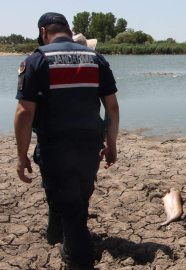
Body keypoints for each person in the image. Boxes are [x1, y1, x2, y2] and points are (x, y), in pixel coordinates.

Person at [14, 12, 119, 269]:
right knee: (77, 199)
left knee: (70, 207)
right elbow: (112, 108)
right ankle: (55, 236)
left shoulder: (36, 61)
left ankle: (79, 260)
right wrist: (112, 144)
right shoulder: (96, 59)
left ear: (43, 32)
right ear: (70, 32)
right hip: (89, 148)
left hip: (55, 149)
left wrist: (22, 155)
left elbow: (24, 113)